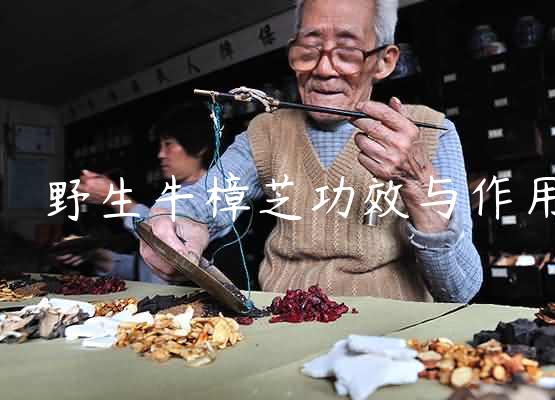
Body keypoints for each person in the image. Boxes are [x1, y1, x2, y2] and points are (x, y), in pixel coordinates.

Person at [140, 0, 483, 302]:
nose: (323, 69)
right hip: (284, 327)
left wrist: (416, 182)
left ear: (384, 61)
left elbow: (461, 288)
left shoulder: (430, 131)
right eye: (308, 49)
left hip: (389, 340)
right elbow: (206, 199)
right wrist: (172, 218)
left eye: (347, 52)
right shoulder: (267, 130)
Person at [57, 103, 214, 283]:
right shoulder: (172, 195)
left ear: (200, 147)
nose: (161, 154)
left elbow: (169, 247)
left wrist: (115, 197)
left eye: (169, 144)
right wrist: (98, 257)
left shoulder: (213, 197)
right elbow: (153, 270)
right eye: (160, 145)